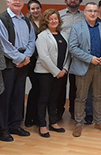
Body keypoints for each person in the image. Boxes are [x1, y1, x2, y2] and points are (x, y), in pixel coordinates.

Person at [69, 2, 101, 137]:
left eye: (95, 11)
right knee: (81, 97)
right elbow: (73, 47)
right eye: (90, 11)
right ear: (85, 12)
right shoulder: (77, 27)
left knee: (99, 96)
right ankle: (78, 124)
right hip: (84, 66)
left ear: (98, 12)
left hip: (100, 66)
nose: (93, 13)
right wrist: (89, 58)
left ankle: (99, 122)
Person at [0, 0, 35, 142]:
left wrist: (27, 57)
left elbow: (32, 40)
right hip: (9, 63)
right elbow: (4, 44)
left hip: (24, 62)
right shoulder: (2, 19)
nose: (17, 2)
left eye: (20, 0)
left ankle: (15, 125)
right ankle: (3, 129)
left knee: (19, 95)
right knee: (5, 97)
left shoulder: (26, 21)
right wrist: (20, 58)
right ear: (8, 2)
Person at [34, 9, 69, 138]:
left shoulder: (63, 35)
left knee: (54, 99)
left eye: (56, 18)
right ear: (46, 21)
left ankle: (53, 122)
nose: (54, 21)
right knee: (43, 99)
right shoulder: (42, 36)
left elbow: (67, 55)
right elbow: (43, 57)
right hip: (45, 73)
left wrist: (64, 69)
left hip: (60, 72)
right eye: (51, 19)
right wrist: (56, 72)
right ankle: (42, 125)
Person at [58, 0, 86, 121]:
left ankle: (75, 112)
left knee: (76, 85)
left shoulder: (84, 16)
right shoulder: (59, 15)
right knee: (60, 84)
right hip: (61, 54)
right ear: (66, 1)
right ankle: (58, 111)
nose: (73, 1)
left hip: (78, 55)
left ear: (80, 1)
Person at [24, 0, 43, 128]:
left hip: (43, 60)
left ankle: (37, 117)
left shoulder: (45, 21)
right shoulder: (25, 22)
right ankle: (29, 117)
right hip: (31, 60)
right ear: (29, 10)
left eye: (37, 8)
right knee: (35, 88)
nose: (35, 11)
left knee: (41, 89)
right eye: (32, 9)